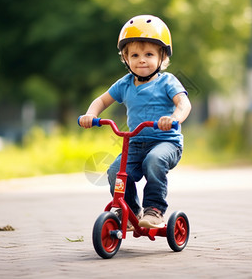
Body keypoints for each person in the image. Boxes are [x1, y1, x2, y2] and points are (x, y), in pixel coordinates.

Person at [79, 15, 191, 229]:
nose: (142, 59)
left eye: (149, 54)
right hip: (135, 144)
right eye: (135, 55)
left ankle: (155, 210)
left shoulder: (168, 81)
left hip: (165, 143)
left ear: (162, 57)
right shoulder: (125, 84)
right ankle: (129, 211)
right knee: (115, 172)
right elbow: (102, 100)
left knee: (154, 161)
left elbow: (184, 104)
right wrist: (90, 114)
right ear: (126, 58)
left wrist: (174, 118)